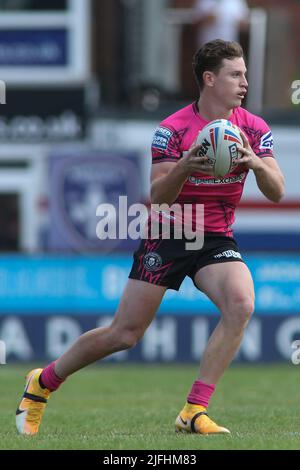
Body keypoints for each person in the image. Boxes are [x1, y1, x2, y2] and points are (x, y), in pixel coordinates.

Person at [16, 39, 285, 436]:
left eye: (244, 74)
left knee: (241, 302)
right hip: (170, 230)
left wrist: (256, 164)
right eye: (236, 74)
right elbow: (158, 195)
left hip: (214, 237)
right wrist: (186, 164)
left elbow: (276, 190)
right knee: (124, 334)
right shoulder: (172, 130)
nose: (244, 82)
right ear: (209, 79)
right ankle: (42, 383)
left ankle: (194, 410)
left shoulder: (254, 128)